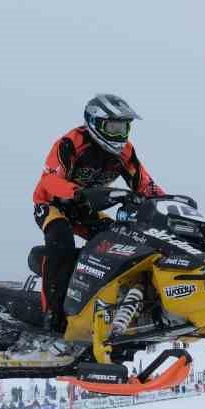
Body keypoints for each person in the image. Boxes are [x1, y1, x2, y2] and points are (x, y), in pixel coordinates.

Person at [31, 94, 166, 332]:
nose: (120, 134)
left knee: (121, 240)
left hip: (86, 210)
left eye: (124, 127)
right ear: (95, 123)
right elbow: (49, 180)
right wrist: (79, 193)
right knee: (61, 238)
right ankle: (52, 315)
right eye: (114, 126)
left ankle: (107, 305)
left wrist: (167, 205)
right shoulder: (70, 143)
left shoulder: (125, 152)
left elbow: (144, 184)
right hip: (53, 204)